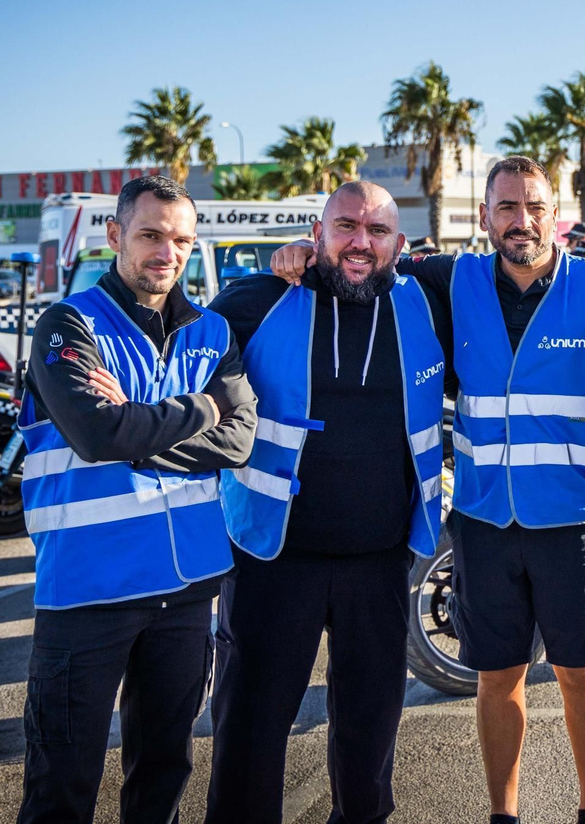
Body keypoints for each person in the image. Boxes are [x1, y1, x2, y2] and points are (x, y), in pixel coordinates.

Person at [267, 156, 585, 824]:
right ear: (486, 216)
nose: (522, 221)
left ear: (555, 214)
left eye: (535, 207)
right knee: (498, 676)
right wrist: (303, 253)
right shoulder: (450, 279)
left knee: (581, 676)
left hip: (575, 519)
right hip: (484, 520)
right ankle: (503, 815)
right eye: (507, 207)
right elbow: (363, 259)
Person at [202, 181, 447, 824]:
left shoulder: (428, 303)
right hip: (272, 558)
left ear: (399, 243)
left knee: (370, 733)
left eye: (377, 231)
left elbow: (513, 277)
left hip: (382, 559)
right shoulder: (258, 299)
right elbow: (182, 362)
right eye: (346, 227)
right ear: (317, 233)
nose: (361, 242)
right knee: (250, 728)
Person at [16, 175, 257, 824]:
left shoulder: (213, 331)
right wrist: (204, 407)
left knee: (163, 776)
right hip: (88, 588)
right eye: (151, 235)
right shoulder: (69, 325)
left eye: (181, 240)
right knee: (61, 784)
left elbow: (239, 441)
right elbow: (97, 434)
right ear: (115, 235)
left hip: (186, 589)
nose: (167, 253)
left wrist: (140, 429)